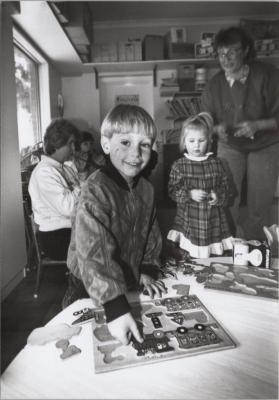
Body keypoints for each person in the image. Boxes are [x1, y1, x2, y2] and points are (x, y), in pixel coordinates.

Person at [64, 104, 167, 345]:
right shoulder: (95, 190)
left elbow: (151, 232)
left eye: (144, 144)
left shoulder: (147, 190)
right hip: (88, 285)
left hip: (128, 278)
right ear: (107, 144)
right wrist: (114, 304)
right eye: (125, 143)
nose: (136, 153)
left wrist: (148, 267)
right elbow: (93, 251)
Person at [201, 26, 279, 240]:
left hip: (266, 145)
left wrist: (257, 125)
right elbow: (205, 121)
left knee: (259, 203)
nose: (225, 58)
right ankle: (228, 246)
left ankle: (254, 248)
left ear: (245, 50)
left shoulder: (268, 75)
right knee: (224, 200)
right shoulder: (213, 84)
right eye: (220, 53)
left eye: (232, 52)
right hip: (230, 146)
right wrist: (215, 130)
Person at [167, 112, 233, 259]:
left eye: (201, 140)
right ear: (184, 141)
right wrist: (189, 194)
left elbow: (226, 188)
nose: (196, 145)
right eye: (191, 141)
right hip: (189, 219)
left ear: (209, 140)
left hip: (213, 219)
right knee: (188, 254)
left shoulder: (216, 164)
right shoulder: (179, 165)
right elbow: (172, 191)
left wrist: (218, 195)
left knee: (214, 256)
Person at [28, 118, 81, 260]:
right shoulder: (44, 172)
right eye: (71, 144)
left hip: (69, 230)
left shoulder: (64, 167)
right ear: (57, 144)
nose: (74, 149)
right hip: (56, 237)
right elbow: (70, 207)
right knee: (106, 239)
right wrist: (83, 184)